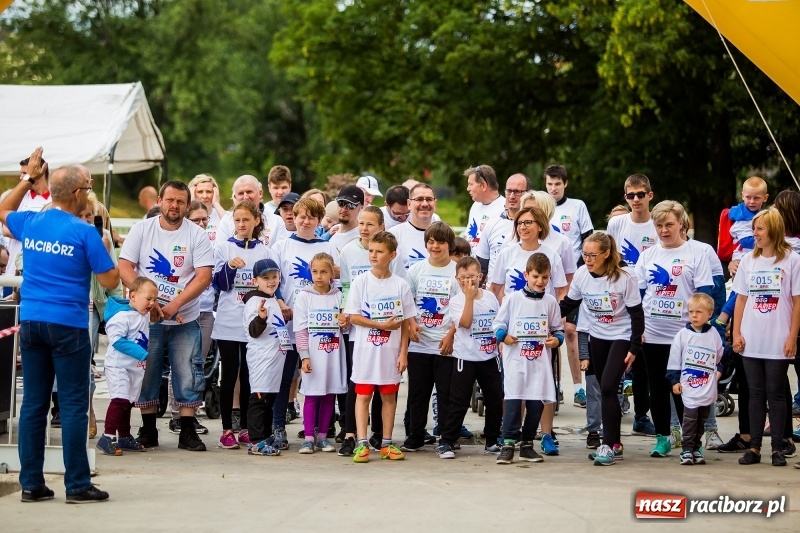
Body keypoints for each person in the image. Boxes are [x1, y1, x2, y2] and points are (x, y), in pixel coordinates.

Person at [1, 148, 119, 503]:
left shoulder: (34, 221)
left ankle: (31, 483)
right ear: (80, 194)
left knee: (34, 405)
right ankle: (78, 485)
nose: (90, 188)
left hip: (33, 322)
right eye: (89, 184)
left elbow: (4, 210)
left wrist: (26, 178)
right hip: (68, 324)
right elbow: (111, 280)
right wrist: (104, 247)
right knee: (71, 405)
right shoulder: (84, 233)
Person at [119, 180, 214, 452]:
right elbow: (125, 266)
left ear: (187, 204)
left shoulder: (196, 234)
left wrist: (173, 306)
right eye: (170, 200)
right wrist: (147, 303)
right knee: (146, 371)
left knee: (188, 371)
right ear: (160, 200)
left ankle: (187, 430)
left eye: (180, 201)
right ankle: (148, 429)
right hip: (147, 319)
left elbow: (204, 276)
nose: (174, 206)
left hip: (185, 318)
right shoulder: (142, 229)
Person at [635, 200, 713, 458]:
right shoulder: (648, 255)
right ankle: (662, 437)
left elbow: (704, 294)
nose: (664, 230)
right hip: (653, 333)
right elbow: (638, 295)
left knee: (686, 388)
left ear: (681, 223)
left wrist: (701, 328)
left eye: (669, 224)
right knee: (656, 386)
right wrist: (639, 328)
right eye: (659, 225)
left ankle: (692, 441)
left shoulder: (696, 254)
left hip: (685, 335)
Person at [559, 233, 644, 466]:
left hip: (622, 336)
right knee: (603, 388)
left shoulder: (625, 277)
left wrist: (634, 348)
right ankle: (615, 444)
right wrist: (543, 314)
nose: (587, 259)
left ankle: (606, 446)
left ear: (606, 254)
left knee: (608, 386)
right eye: (585, 254)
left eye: (593, 255)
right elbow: (569, 304)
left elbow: (637, 314)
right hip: (597, 336)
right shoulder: (581, 275)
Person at [732, 207, 800, 467]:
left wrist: (792, 336)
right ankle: (755, 448)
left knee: (777, 394)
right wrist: (737, 332)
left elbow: (797, 302)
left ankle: (778, 448)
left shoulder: (792, 260)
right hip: (752, 337)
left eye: (759, 229)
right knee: (755, 393)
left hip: (778, 337)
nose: (755, 234)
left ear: (772, 229)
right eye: (753, 229)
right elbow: (741, 299)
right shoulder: (749, 260)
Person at [271, 198, 340, 448]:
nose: (306, 221)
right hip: (290, 324)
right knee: (285, 377)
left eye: (312, 217)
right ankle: (278, 426)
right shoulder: (281, 246)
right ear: (293, 217)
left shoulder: (327, 248)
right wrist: (281, 304)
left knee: (322, 379)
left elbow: (337, 284)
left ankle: (321, 433)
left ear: (319, 220)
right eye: (301, 216)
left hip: (322, 329)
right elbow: (273, 282)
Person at [343, 231, 416, 463]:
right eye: (371, 251)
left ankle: (386, 442)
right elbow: (353, 316)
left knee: (388, 397)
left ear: (392, 255)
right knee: (362, 396)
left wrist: (403, 352)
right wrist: (380, 325)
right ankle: (362, 443)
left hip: (390, 353)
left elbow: (405, 322)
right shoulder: (360, 282)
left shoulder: (401, 285)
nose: (373, 255)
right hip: (366, 352)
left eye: (379, 251)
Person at [212, 200, 278, 450]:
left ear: (256, 221)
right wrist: (229, 267)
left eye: (246, 220)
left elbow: (272, 286)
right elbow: (220, 284)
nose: (241, 224)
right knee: (229, 374)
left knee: (251, 375)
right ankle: (227, 428)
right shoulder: (223, 247)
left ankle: (249, 429)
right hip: (229, 320)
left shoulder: (265, 251)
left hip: (255, 323)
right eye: (237, 220)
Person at [337, 207, 403, 454]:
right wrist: (376, 324)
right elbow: (346, 291)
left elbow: (404, 315)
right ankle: (354, 436)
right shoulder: (352, 260)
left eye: (370, 224)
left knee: (385, 390)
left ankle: (382, 438)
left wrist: (402, 349)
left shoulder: (398, 281)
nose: (364, 228)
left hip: (389, 345)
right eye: (361, 223)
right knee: (360, 388)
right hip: (361, 339)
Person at [493, 253, 564, 465]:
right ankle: (508, 444)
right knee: (514, 400)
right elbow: (498, 324)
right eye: (535, 276)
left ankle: (527, 445)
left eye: (545, 277)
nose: (540, 281)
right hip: (516, 361)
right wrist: (503, 337)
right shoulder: (512, 299)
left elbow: (557, 329)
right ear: (526, 274)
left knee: (536, 402)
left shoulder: (550, 302)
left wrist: (556, 341)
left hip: (539, 362)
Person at [605, 174, 658, 436]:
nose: (635, 200)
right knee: (620, 356)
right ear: (625, 197)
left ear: (650, 195)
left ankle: (642, 414)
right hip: (621, 295)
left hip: (650, 296)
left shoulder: (657, 223)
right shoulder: (617, 223)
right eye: (630, 195)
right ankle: (613, 411)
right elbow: (609, 255)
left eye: (640, 194)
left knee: (643, 360)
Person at [520, 190, 582, 407]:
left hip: (547, 308)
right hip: (519, 307)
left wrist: (559, 312)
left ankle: (558, 389)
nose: (526, 216)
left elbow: (568, 281)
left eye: (533, 210)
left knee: (547, 355)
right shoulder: (516, 240)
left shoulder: (560, 243)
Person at [436, 257, 503, 458]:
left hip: (489, 357)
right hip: (465, 358)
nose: (468, 282)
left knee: (494, 399)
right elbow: (464, 323)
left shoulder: (490, 297)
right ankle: (447, 440)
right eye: (463, 278)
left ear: (480, 277)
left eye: (472, 277)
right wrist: (468, 298)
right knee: (459, 400)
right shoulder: (457, 302)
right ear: (457, 280)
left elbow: (497, 322)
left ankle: (492, 440)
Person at [402, 222, 459, 452]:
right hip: (419, 344)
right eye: (431, 241)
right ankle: (415, 435)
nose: (435, 246)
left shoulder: (456, 271)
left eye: (440, 242)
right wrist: (412, 323)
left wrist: (451, 336)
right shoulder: (416, 270)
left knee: (446, 394)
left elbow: (462, 307)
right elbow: (407, 304)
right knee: (418, 393)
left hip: (446, 344)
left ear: (449, 245)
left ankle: (446, 437)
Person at [95, 277, 158, 456]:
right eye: (149, 299)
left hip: (135, 367)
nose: (152, 303)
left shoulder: (142, 313)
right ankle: (107, 437)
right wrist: (141, 353)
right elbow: (117, 341)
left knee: (128, 402)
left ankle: (123, 436)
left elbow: (152, 322)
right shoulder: (120, 317)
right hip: (118, 366)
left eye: (155, 299)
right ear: (132, 296)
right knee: (119, 400)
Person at [294, 253, 347, 453]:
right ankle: (308, 437)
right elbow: (300, 329)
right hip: (313, 356)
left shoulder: (339, 295)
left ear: (332, 272)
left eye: (323, 271)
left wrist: (345, 322)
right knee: (311, 395)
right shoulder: (304, 296)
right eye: (315, 271)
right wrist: (304, 356)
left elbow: (346, 328)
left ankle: (323, 437)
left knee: (328, 396)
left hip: (334, 354)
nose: (318, 276)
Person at [667, 293, 724, 465]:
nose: (694, 315)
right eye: (691, 311)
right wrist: (674, 380)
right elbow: (674, 359)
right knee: (690, 418)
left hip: (707, 387)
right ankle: (686, 449)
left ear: (710, 314)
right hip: (689, 386)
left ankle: (696, 447)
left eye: (699, 312)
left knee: (702, 419)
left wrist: (719, 371)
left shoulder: (713, 333)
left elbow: (720, 355)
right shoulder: (682, 335)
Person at [241, 258, 287, 456]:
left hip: (275, 359)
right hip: (262, 358)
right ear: (255, 281)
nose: (271, 281)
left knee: (269, 398)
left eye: (274, 277)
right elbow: (253, 331)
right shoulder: (255, 302)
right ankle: (256, 440)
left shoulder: (272, 299)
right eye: (265, 278)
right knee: (259, 398)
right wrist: (260, 318)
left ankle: (266, 435)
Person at [475, 173, 531, 283]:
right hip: (495, 294)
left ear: (528, 193)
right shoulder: (492, 224)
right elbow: (482, 265)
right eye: (509, 191)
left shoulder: (536, 226)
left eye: (517, 192)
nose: (512, 196)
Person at [216, 175, 288, 247]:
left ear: (260, 193)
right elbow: (220, 253)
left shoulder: (277, 221)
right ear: (235, 197)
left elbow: (280, 254)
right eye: (241, 193)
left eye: (249, 192)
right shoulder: (226, 221)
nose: (245, 197)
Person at [389, 183, 439, 271]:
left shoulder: (445, 234)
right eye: (419, 199)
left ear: (435, 204)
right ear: (409, 204)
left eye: (429, 199)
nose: (424, 204)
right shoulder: (394, 234)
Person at [727, 176, 769, 277]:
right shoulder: (741, 218)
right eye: (748, 197)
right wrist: (770, 241)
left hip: (756, 257)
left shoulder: (761, 214)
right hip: (741, 258)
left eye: (756, 198)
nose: (752, 201)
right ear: (742, 196)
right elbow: (746, 241)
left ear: (765, 198)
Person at [464, 165, 506, 251]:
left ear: (483, 186)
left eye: (471, 184)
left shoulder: (505, 208)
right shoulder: (475, 205)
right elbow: (468, 236)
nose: (468, 189)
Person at [188, 174, 226, 240]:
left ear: (215, 193)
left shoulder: (223, 214)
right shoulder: (184, 216)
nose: (205, 196)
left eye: (208, 192)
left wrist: (216, 203)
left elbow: (232, 227)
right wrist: (190, 202)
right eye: (200, 192)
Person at [329, 185, 364, 252]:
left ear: (361, 208)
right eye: (341, 203)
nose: (344, 209)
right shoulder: (332, 232)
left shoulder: (362, 236)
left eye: (350, 205)